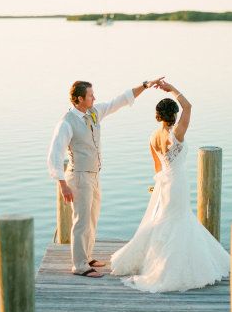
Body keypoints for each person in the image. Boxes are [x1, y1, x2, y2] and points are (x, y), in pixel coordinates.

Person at [111, 81, 230, 292]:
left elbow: (157, 167)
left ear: (158, 116)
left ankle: (159, 261)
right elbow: (189, 106)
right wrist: (171, 88)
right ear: (174, 115)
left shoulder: (153, 138)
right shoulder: (177, 134)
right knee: (179, 220)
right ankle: (169, 269)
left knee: (165, 221)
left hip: (164, 183)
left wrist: (155, 188)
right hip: (177, 183)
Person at [48, 77, 164, 278]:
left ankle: (87, 256)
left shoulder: (94, 112)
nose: (95, 98)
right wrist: (62, 185)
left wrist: (144, 86)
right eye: (91, 95)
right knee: (81, 221)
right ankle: (80, 265)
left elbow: (118, 101)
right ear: (79, 99)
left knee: (92, 218)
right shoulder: (66, 123)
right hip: (79, 176)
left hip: (94, 176)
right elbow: (54, 156)